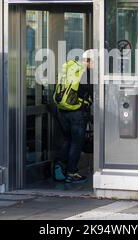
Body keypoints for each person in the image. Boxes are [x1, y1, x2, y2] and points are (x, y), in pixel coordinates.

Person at [52, 49, 95, 183]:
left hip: (62, 110)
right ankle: (72, 172)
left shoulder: (71, 68)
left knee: (67, 140)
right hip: (77, 112)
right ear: (89, 61)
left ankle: (59, 166)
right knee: (77, 142)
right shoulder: (86, 73)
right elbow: (92, 91)